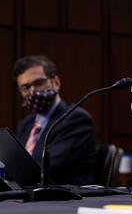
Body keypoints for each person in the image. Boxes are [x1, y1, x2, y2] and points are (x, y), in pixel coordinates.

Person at [14, 55, 97, 185]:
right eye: (26, 87)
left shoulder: (76, 119)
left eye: (38, 83)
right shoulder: (26, 124)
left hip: (64, 199)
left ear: (56, 82)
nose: (33, 91)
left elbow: (48, 169)